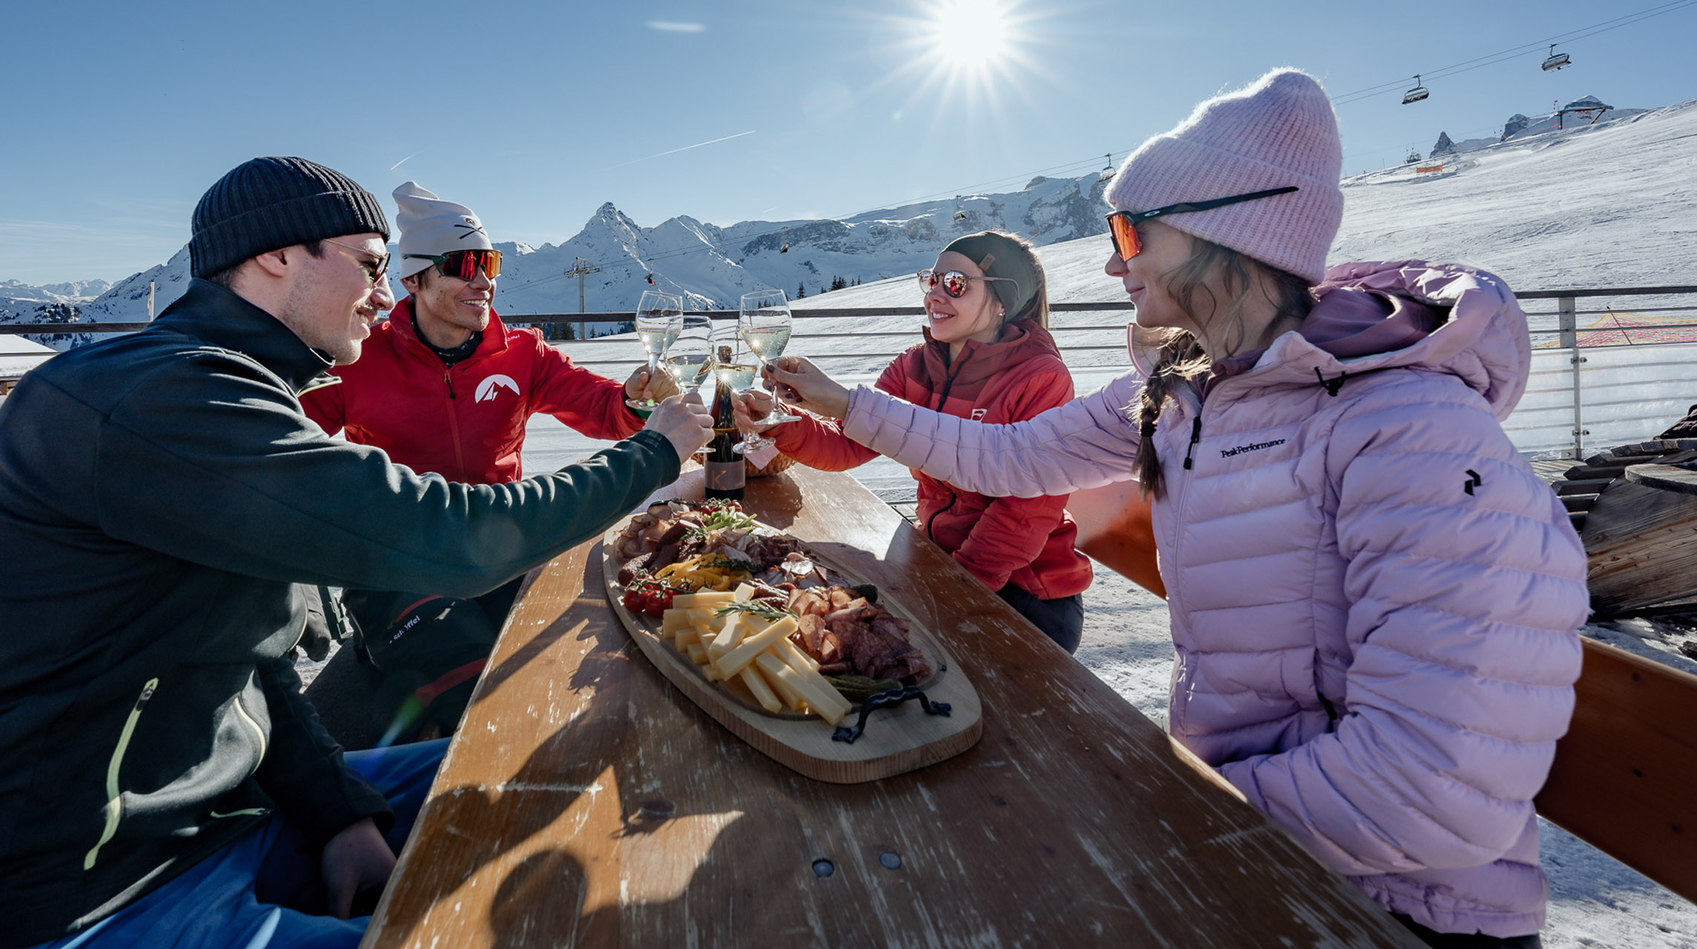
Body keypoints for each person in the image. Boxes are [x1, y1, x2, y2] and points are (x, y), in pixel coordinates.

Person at [762, 71, 1587, 948]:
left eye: (1129, 231)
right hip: (1244, 843)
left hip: (1394, 906)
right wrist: (841, 402)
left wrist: (1156, 805)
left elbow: (1432, 790)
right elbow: (1012, 455)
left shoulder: (1410, 429)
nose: (1113, 262)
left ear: (1221, 229)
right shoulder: (1191, 388)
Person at [0, 157, 712, 949]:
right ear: (278, 256)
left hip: (211, 817)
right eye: (369, 265)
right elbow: (447, 536)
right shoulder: (162, 399)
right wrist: (653, 455)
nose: (382, 293)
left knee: (568, 771)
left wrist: (334, 810)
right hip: (62, 895)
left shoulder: (230, 384)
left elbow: (241, 648)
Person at [300, 181, 674, 741]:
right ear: (414, 280)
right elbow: (285, 438)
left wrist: (635, 400)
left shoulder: (523, 353)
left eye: (490, 263)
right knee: (473, 693)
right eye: (463, 266)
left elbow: (602, 408)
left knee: (593, 653)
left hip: (500, 547)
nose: (483, 281)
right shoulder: (357, 358)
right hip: (398, 562)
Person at [735, 231, 1091, 651]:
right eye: (932, 280)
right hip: (940, 564)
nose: (934, 295)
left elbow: (1023, 514)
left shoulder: (1039, 378)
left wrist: (950, 590)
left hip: (1025, 593)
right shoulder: (915, 366)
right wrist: (778, 421)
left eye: (955, 283)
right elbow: (848, 443)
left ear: (1002, 301)